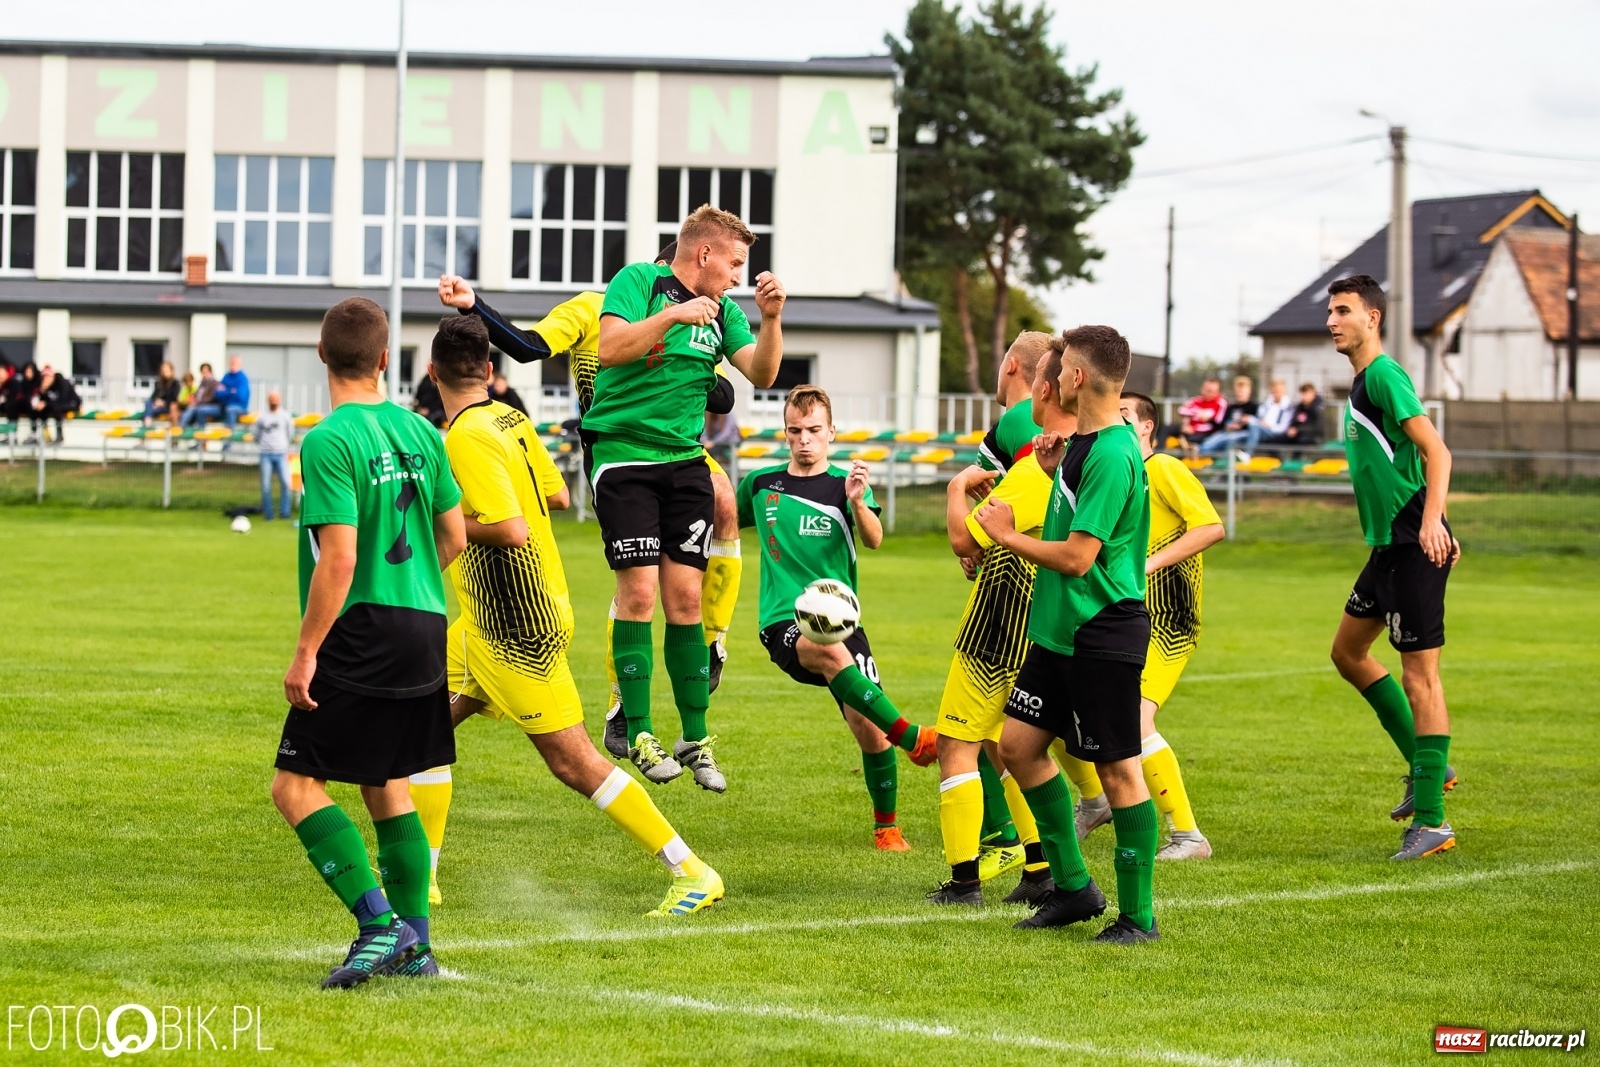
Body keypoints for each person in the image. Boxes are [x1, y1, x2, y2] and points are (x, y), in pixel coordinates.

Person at [408, 314, 724, 916]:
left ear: (431, 373)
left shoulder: (467, 436)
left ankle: (691, 870)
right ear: (492, 371)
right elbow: (555, 494)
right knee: (417, 727)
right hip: (485, 618)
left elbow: (509, 527)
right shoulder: (511, 418)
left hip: (515, 625)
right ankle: (419, 878)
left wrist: (441, 519)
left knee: (573, 761)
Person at [437, 239, 746, 767]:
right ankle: (622, 704)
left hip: (675, 447)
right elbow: (530, 345)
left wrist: (691, 359)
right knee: (638, 588)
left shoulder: (703, 314)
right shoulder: (592, 307)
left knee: (724, 499)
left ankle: (711, 640)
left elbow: (724, 394)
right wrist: (475, 306)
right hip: (620, 452)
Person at [269, 296, 466, 988]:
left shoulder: (328, 439)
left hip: (363, 629)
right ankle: (418, 946)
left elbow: (341, 559)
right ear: (386, 359)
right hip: (424, 622)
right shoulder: (423, 433)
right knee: (386, 784)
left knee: (294, 785)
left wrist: (306, 651)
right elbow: (455, 536)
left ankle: (380, 924)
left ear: (322, 356)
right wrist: (410, 588)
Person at [588, 207, 787, 792]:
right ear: (703, 253)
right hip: (625, 456)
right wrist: (674, 315)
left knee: (685, 596)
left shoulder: (725, 313)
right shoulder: (637, 283)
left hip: (685, 463)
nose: (736, 277)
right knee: (640, 591)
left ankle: (695, 738)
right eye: (734, 263)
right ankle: (639, 730)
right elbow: (610, 348)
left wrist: (771, 319)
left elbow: (763, 373)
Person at [975, 325, 1161, 944]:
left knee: (1118, 773)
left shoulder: (1112, 453)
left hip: (1101, 633)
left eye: (1052, 373)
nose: (1045, 383)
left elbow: (1081, 558)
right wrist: (1053, 472)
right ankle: (1075, 889)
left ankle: (1138, 917)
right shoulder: (1079, 446)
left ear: (1076, 379)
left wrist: (1006, 537)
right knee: (1019, 747)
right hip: (1059, 634)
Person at [736, 385, 936, 850]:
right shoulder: (761, 484)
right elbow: (724, 519)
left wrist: (860, 503)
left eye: (813, 431)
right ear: (785, 432)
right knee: (824, 648)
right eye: (795, 431)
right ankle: (914, 738)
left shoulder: (846, 485)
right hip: (784, 618)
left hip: (844, 621)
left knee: (870, 731)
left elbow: (875, 539)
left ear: (831, 432)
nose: (804, 439)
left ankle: (886, 827)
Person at [1324, 274, 1460, 861]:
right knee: (1348, 653)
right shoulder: (1359, 384)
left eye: (1343, 310)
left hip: (1413, 545)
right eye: (1330, 312)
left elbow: (1437, 450)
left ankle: (1431, 820)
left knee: (1420, 677)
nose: (1332, 321)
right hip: (1386, 548)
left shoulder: (1382, 375)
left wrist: (1433, 522)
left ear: (1372, 318)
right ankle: (1431, 765)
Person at [935, 332, 1071, 906]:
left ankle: (964, 880)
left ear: (1045, 386)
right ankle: (1040, 869)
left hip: (999, 618)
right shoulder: (1082, 461)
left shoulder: (1034, 469)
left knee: (956, 743)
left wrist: (956, 488)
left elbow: (965, 536)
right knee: (1010, 744)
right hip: (1044, 622)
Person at [1061, 391, 1225, 860]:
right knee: (1057, 711)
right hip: (1119, 620)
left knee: (1135, 719)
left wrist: (1148, 563)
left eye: (1126, 414)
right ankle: (1095, 801)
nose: (1116, 420)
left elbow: (1210, 527)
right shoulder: (1117, 471)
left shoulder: (1164, 469)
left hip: (1168, 621)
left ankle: (1189, 836)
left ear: (1148, 427)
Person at [255, 389, 294, 520]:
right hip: (265, 454)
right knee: (266, 485)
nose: (273, 400)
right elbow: (256, 435)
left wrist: (284, 446)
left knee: (286, 483)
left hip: (281, 453)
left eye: (276, 398)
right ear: (268, 400)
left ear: (280, 400)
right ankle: (268, 514)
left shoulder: (285, 416)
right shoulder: (262, 417)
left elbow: (290, 433)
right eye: (271, 398)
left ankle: (285, 513)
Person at [1198, 375, 1258, 455]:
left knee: (1229, 439)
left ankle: (1224, 461)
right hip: (1228, 432)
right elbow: (1224, 423)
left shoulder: (1254, 407)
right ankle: (1198, 450)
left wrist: (1245, 422)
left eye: (1242, 391)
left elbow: (1256, 426)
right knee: (1215, 437)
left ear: (1249, 391)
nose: (1240, 393)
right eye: (1238, 391)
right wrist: (1228, 426)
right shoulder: (1231, 407)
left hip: (1243, 433)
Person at [31, 365, 80, 444]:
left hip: (72, 403)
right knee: (41, 410)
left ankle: (60, 435)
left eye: (48, 377)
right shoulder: (46, 386)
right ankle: (45, 434)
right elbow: (44, 401)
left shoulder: (62, 383)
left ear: (52, 376)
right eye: (44, 377)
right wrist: (42, 391)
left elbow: (61, 400)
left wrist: (46, 403)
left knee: (56, 408)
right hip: (57, 404)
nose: (46, 379)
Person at [1176, 377, 1227, 449]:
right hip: (1189, 428)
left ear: (1217, 391)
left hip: (1207, 432)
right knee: (1167, 428)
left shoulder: (1221, 403)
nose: (1208, 393)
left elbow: (1217, 423)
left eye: (1211, 391)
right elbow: (1181, 410)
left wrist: (1195, 429)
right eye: (1206, 390)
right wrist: (1197, 413)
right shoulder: (1196, 400)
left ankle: (1188, 448)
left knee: (1192, 438)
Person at [215, 354, 252, 430]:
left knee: (230, 409)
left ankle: (228, 438)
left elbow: (240, 396)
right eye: (232, 362)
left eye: (235, 363)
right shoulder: (226, 376)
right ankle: (199, 439)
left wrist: (225, 393)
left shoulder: (242, 378)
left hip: (240, 408)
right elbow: (218, 393)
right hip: (224, 406)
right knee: (202, 410)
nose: (233, 364)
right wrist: (230, 392)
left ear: (240, 364)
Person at [181, 363, 221, 428]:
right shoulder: (202, 384)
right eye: (203, 372)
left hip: (208, 405)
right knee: (188, 409)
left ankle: (185, 428)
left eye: (206, 372)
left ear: (210, 372)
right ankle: (186, 428)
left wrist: (197, 403)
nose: (204, 374)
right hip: (199, 404)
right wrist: (193, 398)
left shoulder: (214, 383)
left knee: (195, 410)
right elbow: (197, 395)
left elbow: (210, 398)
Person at [143, 362, 181, 427]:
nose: (164, 372)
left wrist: (164, 402)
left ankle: (147, 420)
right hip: (157, 406)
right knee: (148, 402)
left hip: (167, 407)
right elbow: (153, 396)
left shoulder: (175, 384)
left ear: (171, 371)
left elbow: (174, 397)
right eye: (163, 371)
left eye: (166, 371)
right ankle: (147, 420)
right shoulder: (159, 383)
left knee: (149, 409)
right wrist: (157, 401)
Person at [7, 364, 39, 435]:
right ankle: (12, 433)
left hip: (33, 406)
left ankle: (34, 433)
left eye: (30, 372)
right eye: (27, 371)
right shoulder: (22, 382)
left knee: (31, 405)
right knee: (12, 406)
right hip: (23, 404)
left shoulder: (38, 382)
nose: (28, 374)